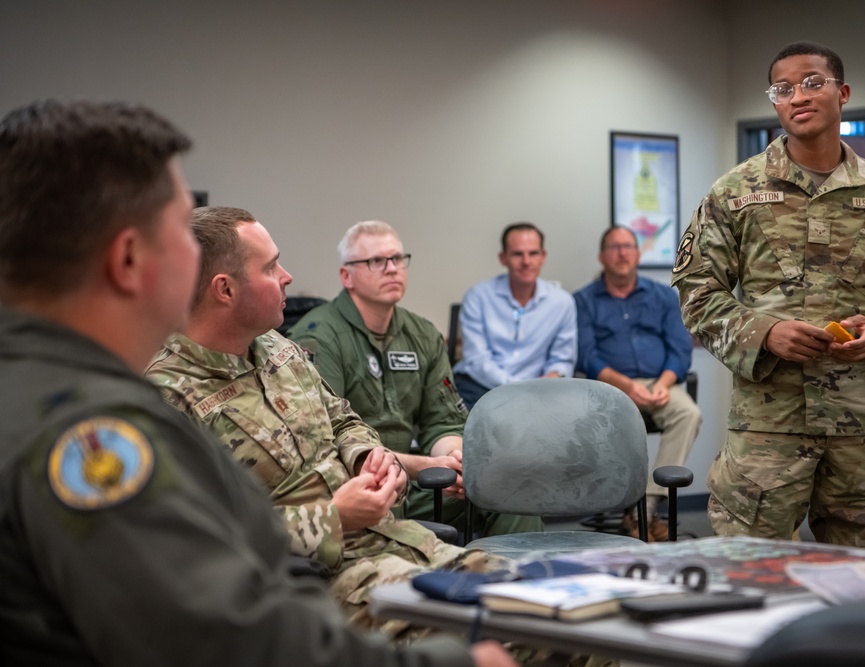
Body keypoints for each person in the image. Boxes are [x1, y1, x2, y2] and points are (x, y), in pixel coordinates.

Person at [0, 99, 513, 666]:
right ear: (129, 259)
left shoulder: (42, 388)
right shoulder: (97, 431)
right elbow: (229, 641)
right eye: (179, 232)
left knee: (550, 608)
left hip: (372, 555)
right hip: (331, 591)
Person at [145, 207, 516, 638]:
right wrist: (335, 515)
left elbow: (341, 418)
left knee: (552, 608)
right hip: (309, 582)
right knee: (509, 637)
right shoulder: (166, 395)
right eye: (270, 267)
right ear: (224, 289)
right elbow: (195, 540)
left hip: (394, 540)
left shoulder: (274, 347)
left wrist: (367, 458)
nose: (287, 276)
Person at [672, 41, 865, 550]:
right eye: (783, 88)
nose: (797, 95)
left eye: (812, 82)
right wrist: (764, 331)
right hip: (767, 428)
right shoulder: (734, 193)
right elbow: (697, 290)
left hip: (858, 426)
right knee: (750, 575)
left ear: (842, 93)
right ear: (774, 103)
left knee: (861, 580)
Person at [287, 221, 543, 537]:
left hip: (416, 483)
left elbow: (442, 420)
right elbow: (325, 443)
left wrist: (453, 458)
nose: (392, 269)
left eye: (397, 259)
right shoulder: (319, 339)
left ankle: (515, 582)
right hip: (355, 485)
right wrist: (421, 466)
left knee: (510, 488)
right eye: (376, 261)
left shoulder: (422, 334)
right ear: (346, 276)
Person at [575, 226, 702, 542]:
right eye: (614, 247)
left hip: (660, 384)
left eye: (628, 246)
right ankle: (624, 508)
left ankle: (645, 506)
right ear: (602, 256)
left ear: (638, 253)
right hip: (610, 388)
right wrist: (626, 386)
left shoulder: (663, 296)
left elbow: (680, 349)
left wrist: (664, 383)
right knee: (607, 422)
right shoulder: (583, 301)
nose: (622, 253)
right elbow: (586, 356)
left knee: (689, 413)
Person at [452, 222, 577, 409]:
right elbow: (477, 360)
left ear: (543, 257)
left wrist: (553, 377)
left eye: (533, 253)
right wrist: (519, 390)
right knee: (471, 431)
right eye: (517, 254)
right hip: (480, 387)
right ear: (503, 258)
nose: (526, 261)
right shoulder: (478, 297)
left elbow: (562, 360)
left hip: (540, 391)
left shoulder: (562, 302)